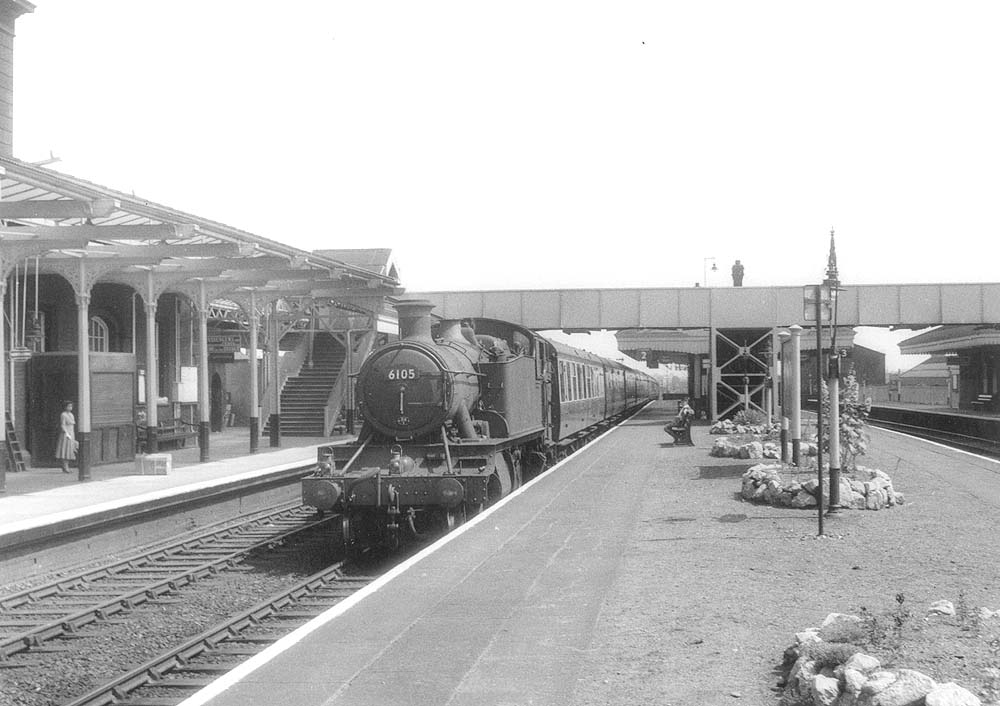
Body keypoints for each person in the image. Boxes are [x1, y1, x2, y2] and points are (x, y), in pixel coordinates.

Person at [55, 400, 77, 474]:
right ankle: (65, 466)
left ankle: (67, 466)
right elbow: (63, 424)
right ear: (65, 407)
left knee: (70, 450)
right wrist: (66, 433)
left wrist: (72, 434)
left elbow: (72, 425)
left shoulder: (71, 415)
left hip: (71, 433)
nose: (70, 407)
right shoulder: (63, 414)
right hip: (66, 434)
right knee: (65, 450)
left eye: (71, 406)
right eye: (69, 406)